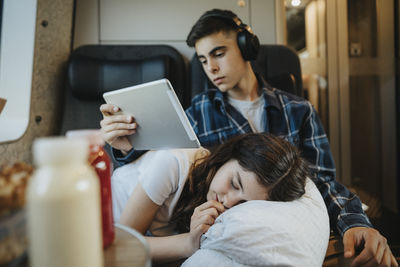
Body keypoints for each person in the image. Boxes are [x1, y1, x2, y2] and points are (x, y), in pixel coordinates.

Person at [100, 9, 397, 266]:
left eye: (218, 53)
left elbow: (320, 183)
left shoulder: (298, 111)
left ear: (246, 47)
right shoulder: (199, 111)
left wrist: (355, 223)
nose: (211, 68)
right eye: (203, 60)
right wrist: (124, 149)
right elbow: (159, 165)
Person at [113, 133, 311, 263]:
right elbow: (122, 247)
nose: (228, 202)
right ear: (229, 157)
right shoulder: (173, 163)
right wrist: (189, 244)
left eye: (243, 204)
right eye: (234, 183)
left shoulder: (224, 213)